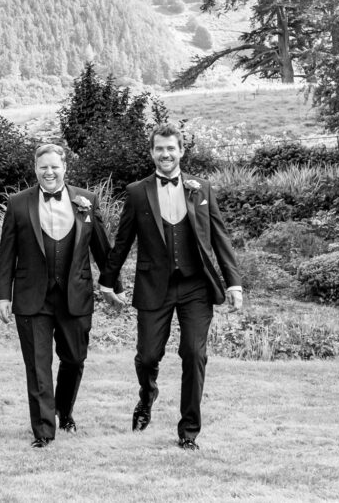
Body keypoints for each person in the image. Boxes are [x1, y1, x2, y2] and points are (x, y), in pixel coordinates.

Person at [100, 123, 243, 450]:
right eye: (159, 149)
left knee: (194, 354)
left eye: (171, 148)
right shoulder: (137, 192)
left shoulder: (201, 188)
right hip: (154, 286)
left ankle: (188, 431)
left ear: (180, 151)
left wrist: (233, 282)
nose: (166, 154)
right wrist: (108, 281)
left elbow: (219, 238)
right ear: (152, 152)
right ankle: (147, 394)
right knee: (147, 356)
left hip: (196, 286)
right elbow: (122, 242)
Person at [0, 144, 115, 448]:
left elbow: (101, 247)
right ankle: (44, 431)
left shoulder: (86, 201)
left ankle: (63, 410)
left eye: (54, 167)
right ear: (35, 168)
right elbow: (7, 254)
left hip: (75, 294)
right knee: (38, 365)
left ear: (65, 168)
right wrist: (1, 296)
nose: (49, 172)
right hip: (31, 296)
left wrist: (113, 284)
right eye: (43, 167)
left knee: (74, 359)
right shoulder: (18, 203)